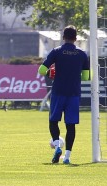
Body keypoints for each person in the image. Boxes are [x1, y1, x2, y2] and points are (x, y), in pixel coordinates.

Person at [38, 25, 90, 164]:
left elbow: (42, 70)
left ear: (63, 37)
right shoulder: (82, 54)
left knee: (53, 121)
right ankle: (67, 157)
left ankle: (57, 145)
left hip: (58, 91)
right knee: (70, 125)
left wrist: (51, 73)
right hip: (73, 93)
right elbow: (85, 77)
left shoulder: (57, 51)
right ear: (76, 38)